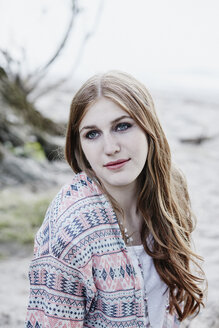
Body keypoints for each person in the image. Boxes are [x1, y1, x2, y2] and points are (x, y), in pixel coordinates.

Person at [25, 71, 205, 328]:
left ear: (148, 127)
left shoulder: (171, 190)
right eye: (92, 134)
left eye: (122, 126)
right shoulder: (71, 230)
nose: (110, 147)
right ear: (80, 148)